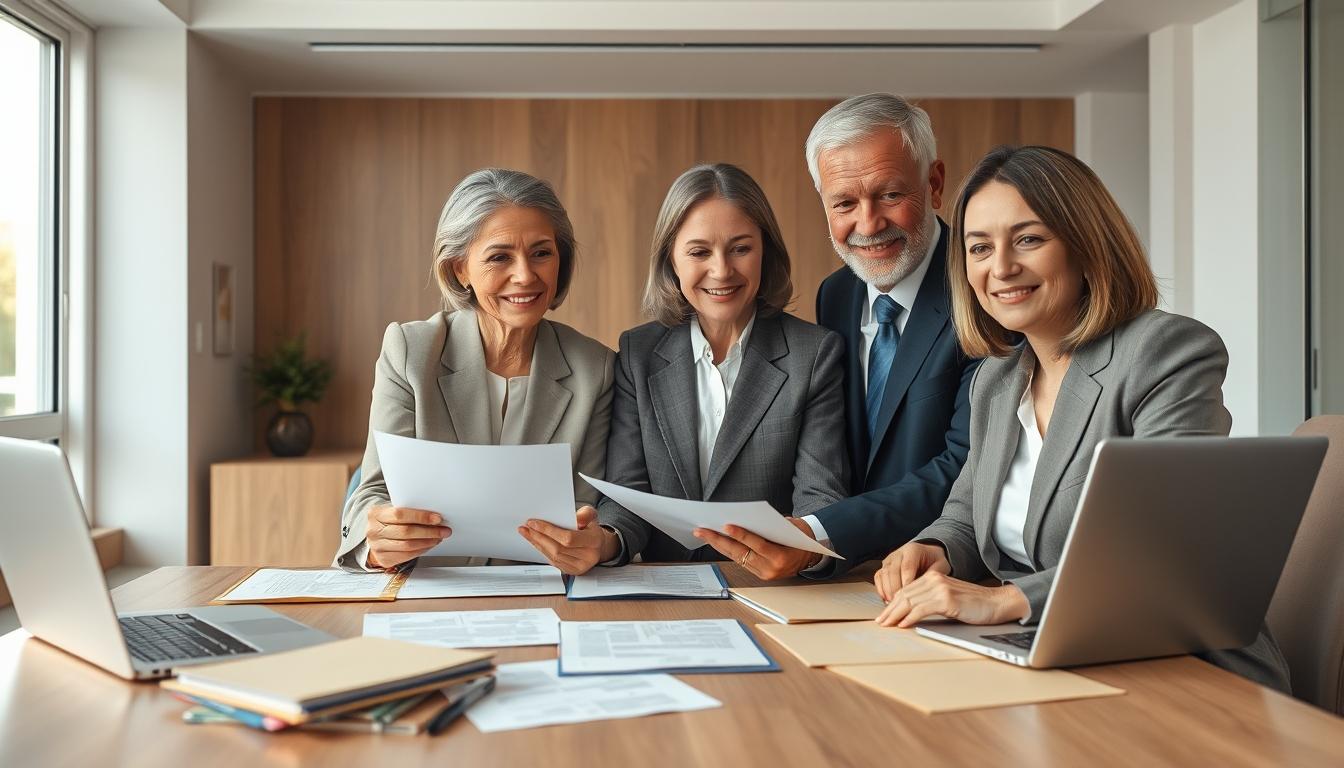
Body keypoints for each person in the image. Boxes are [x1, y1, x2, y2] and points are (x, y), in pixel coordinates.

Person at [873, 145, 1291, 692]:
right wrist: (935, 550)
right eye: (979, 247)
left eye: (1028, 239)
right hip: (1053, 659)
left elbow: (1166, 553)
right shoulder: (996, 381)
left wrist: (1006, 600)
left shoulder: (1167, 352)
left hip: (1182, 671)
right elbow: (964, 516)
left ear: (1085, 245)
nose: (1000, 267)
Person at [691, 93, 978, 579]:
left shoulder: (983, 290)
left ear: (933, 184)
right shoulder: (837, 294)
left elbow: (967, 462)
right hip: (843, 575)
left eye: (890, 195)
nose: (868, 225)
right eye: (844, 202)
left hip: (944, 571)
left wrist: (822, 531)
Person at [334, 168, 615, 574]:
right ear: (459, 269)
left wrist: (594, 540)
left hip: (540, 588)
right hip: (428, 586)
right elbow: (372, 491)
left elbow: (589, 507)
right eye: (500, 256)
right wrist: (375, 540)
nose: (525, 275)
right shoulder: (410, 351)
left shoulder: (596, 368)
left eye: (542, 252)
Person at [591, 163, 849, 574]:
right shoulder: (636, 353)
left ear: (766, 250)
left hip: (774, 588)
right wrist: (604, 542)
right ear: (671, 261)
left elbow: (821, 498)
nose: (722, 270)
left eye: (740, 248)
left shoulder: (815, 354)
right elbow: (627, 496)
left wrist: (804, 549)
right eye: (699, 252)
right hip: (667, 592)